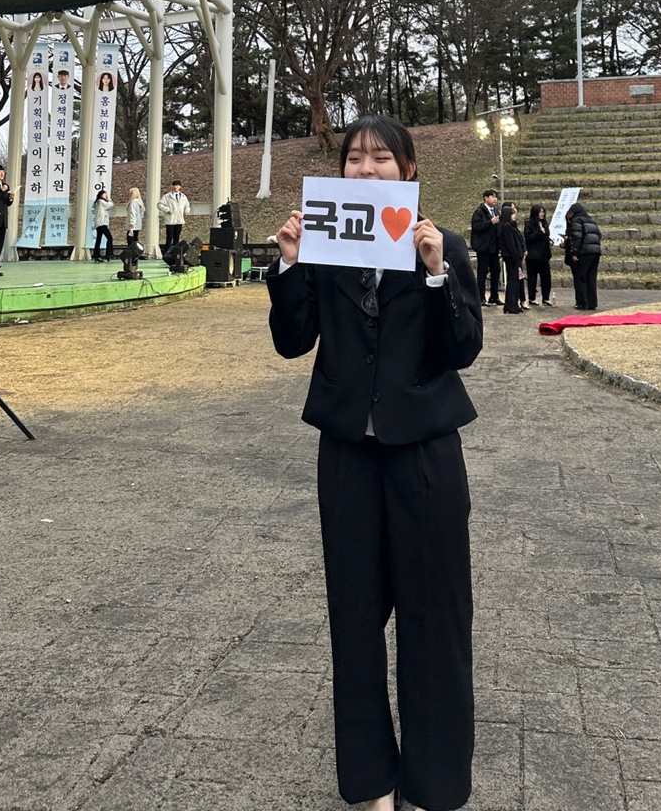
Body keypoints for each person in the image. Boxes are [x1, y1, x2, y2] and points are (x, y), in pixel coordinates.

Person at [268, 115, 482, 811]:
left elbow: (463, 348)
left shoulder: (441, 243)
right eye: (355, 158)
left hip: (425, 450)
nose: (366, 169)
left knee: (436, 615)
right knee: (354, 617)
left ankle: (435, 782)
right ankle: (371, 782)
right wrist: (289, 264)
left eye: (382, 158)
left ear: (408, 170)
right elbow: (292, 341)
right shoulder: (322, 243)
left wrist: (436, 274)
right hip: (348, 453)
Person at [565, 202, 602, 312]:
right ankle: (592, 303)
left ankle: (582, 303)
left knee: (580, 277)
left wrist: (574, 252)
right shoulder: (591, 221)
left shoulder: (577, 221)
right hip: (595, 252)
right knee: (591, 278)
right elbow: (599, 235)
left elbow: (577, 237)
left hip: (584, 252)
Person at [470, 189, 501, 306]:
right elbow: (477, 226)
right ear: (486, 198)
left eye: (496, 197)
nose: (495, 199)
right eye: (492, 196)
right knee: (482, 273)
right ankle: (481, 297)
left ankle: (494, 296)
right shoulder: (479, 212)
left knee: (495, 272)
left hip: (494, 247)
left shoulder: (496, 211)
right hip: (483, 248)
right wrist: (490, 222)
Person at [523, 204, 555, 306]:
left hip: (544, 255)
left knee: (546, 277)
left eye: (543, 212)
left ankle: (545, 298)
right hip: (533, 255)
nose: (542, 214)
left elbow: (546, 234)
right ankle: (532, 298)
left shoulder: (544, 223)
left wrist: (548, 239)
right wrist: (539, 232)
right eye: (540, 212)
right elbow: (529, 238)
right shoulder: (529, 224)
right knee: (532, 278)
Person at [499, 201, 525, 314]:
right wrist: (516, 257)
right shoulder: (507, 227)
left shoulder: (511, 225)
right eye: (512, 213)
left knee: (516, 281)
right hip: (511, 258)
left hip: (515, 257)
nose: (514, 215)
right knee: (512, 282)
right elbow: (510, 245)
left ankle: (514, 303)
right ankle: (510, 305)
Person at [157, 178, 190, 255]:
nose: (175, 187)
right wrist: (167, 210)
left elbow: (187, 206)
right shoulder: (167, 196)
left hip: (179, 219)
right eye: (174, 185)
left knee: (176, 237)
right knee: (169, 237)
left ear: (180, 187)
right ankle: (167, 252)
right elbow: (159, 205)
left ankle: (175, 253)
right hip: (170, 220)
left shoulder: (183, 197)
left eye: (177, 185)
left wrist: (186, 211)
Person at [92, 189, 115, 262]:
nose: (106, 196)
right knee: (109, 238)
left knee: (98, 240)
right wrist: (109, 199)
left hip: (98, 224)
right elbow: (110, 205)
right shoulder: (101, 202)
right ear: (101, 195)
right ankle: (109, 254)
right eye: (105, 194)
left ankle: (96, 256)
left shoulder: (97, 202)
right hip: (102, 223)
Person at [125, 187, 144, 252]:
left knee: (130, 239)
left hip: (132, 225)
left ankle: (132, 252)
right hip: (138, 224)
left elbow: (132, 212)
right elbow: (141, 213)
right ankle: (137, 252)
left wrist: (131, 222)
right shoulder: (139, 202)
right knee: (135, 238)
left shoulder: (133, 202)